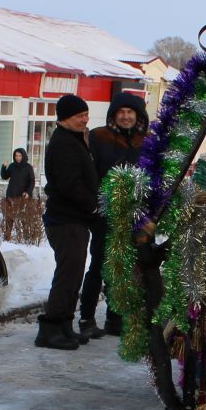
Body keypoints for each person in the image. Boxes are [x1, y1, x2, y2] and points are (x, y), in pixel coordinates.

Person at [82, 91, 147, 338]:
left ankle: (115, 316)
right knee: (98, 265)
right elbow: (91, 171)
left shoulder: (146, 141)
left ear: (138, 115)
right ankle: (87, 317)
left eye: (130, 112)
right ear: (114, 115)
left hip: (134, 214)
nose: (126, 117)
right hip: (105, 212)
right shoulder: (100, 136)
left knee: (125, 267)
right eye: (121, 112)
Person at [37, 93, 98, 350]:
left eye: (86, 114)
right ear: (65, 119)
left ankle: (64, 324)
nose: (85, 120)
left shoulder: (73, 140)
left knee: (74, 275)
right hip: (65, 221)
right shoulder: (63, 144)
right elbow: (69, 185)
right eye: (79, 116)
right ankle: (49, 329)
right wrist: (92, 205)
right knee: (67, 275)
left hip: (75, 220)